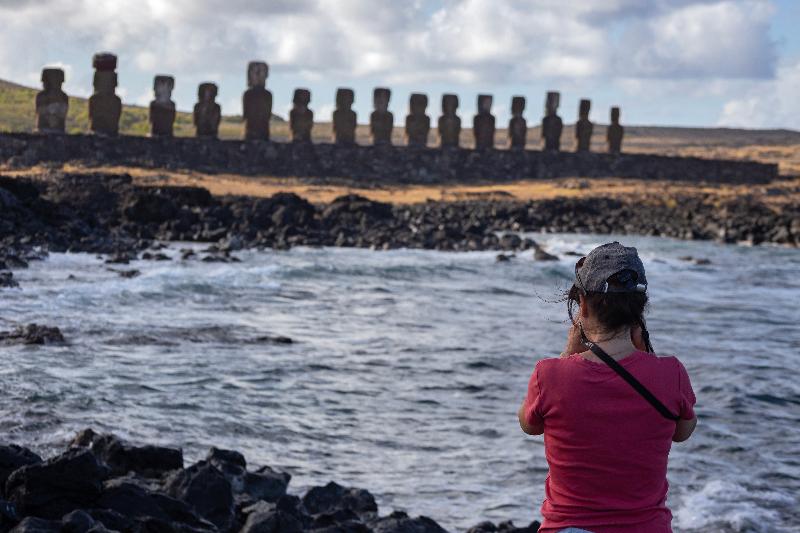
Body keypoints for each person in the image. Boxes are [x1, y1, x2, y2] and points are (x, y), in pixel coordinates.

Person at [518, 242, 697, 533]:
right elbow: (682, 432)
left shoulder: (548, 375)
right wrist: (646, 357)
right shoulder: (671, 373)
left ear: (583, 305)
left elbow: (528, 424)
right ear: (640, 307)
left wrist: (567, 354)